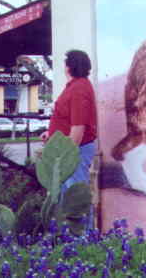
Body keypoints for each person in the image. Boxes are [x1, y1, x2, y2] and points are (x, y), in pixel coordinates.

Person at [41, 49, 97, 223]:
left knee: (76, 198)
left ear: (69, 67)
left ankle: (85, 241)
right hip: (70, 149)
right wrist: (51, 134)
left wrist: (67, 155)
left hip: (76, 151)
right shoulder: (76, 86)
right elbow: (67, 119)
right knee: (68, 196)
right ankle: (73, 240)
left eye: (65, 63)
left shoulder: (79, 89)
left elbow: (78, 128)